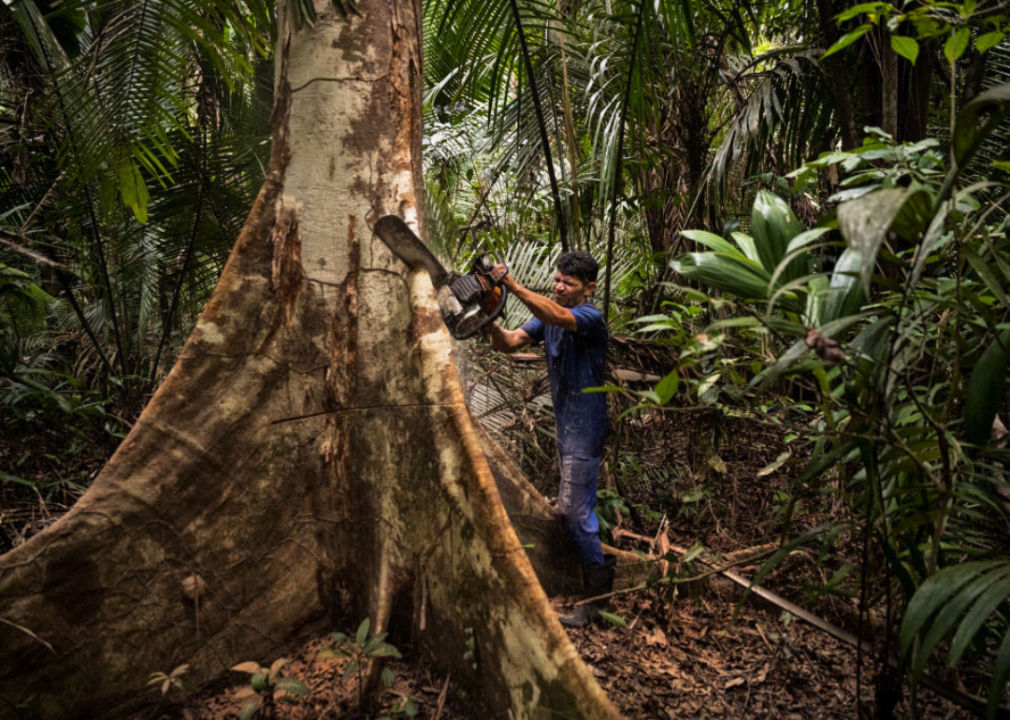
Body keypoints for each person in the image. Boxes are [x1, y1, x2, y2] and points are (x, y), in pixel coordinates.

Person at [485, 251, 615, 628]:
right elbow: (509, 343)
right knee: (572, 511)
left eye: (568, 284)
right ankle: (592, 584)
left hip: (585, 428)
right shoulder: (548, 316)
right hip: (566, 428)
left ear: (588, 289)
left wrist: (511, 284)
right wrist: (489, 317)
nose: (558, 287)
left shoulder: (588, 318)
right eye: (556, 280)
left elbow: (557, 316)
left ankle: (597, 605)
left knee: (575, 513)